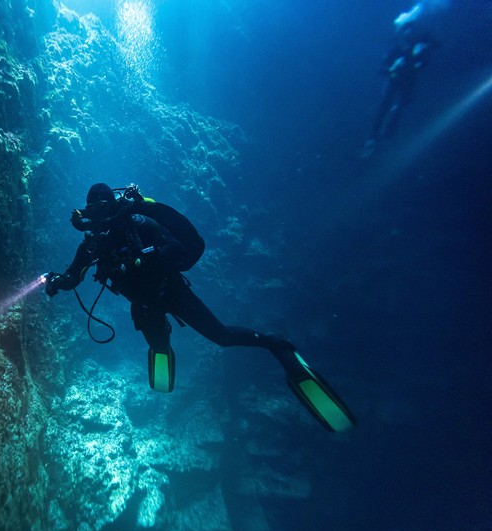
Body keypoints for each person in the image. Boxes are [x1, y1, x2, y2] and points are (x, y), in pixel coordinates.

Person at [45, 183, 356, 432]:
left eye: (103, 207)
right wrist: (58, 281)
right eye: (93, 210)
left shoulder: (137, 223)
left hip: (172, 292)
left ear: (112, 205)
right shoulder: (90, 246)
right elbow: (74, 275)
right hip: (144, 305)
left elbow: (179, 248)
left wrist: (143, 258)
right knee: (159, 345)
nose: (98, 216)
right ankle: (164, 339)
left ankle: (277, 346)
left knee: (221, 336)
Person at [362, 3, 439, 156]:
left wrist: (423, 50)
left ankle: (386, 137)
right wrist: (394, 68)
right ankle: (374, 138)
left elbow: (432, 50)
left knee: (398, 107)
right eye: (406, 29)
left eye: (411, 28)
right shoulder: (396, 48)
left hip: (407, 81)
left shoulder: (419, 46)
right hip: (395, 80)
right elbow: (383, 69)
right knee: (386, 107)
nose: (409, 32)